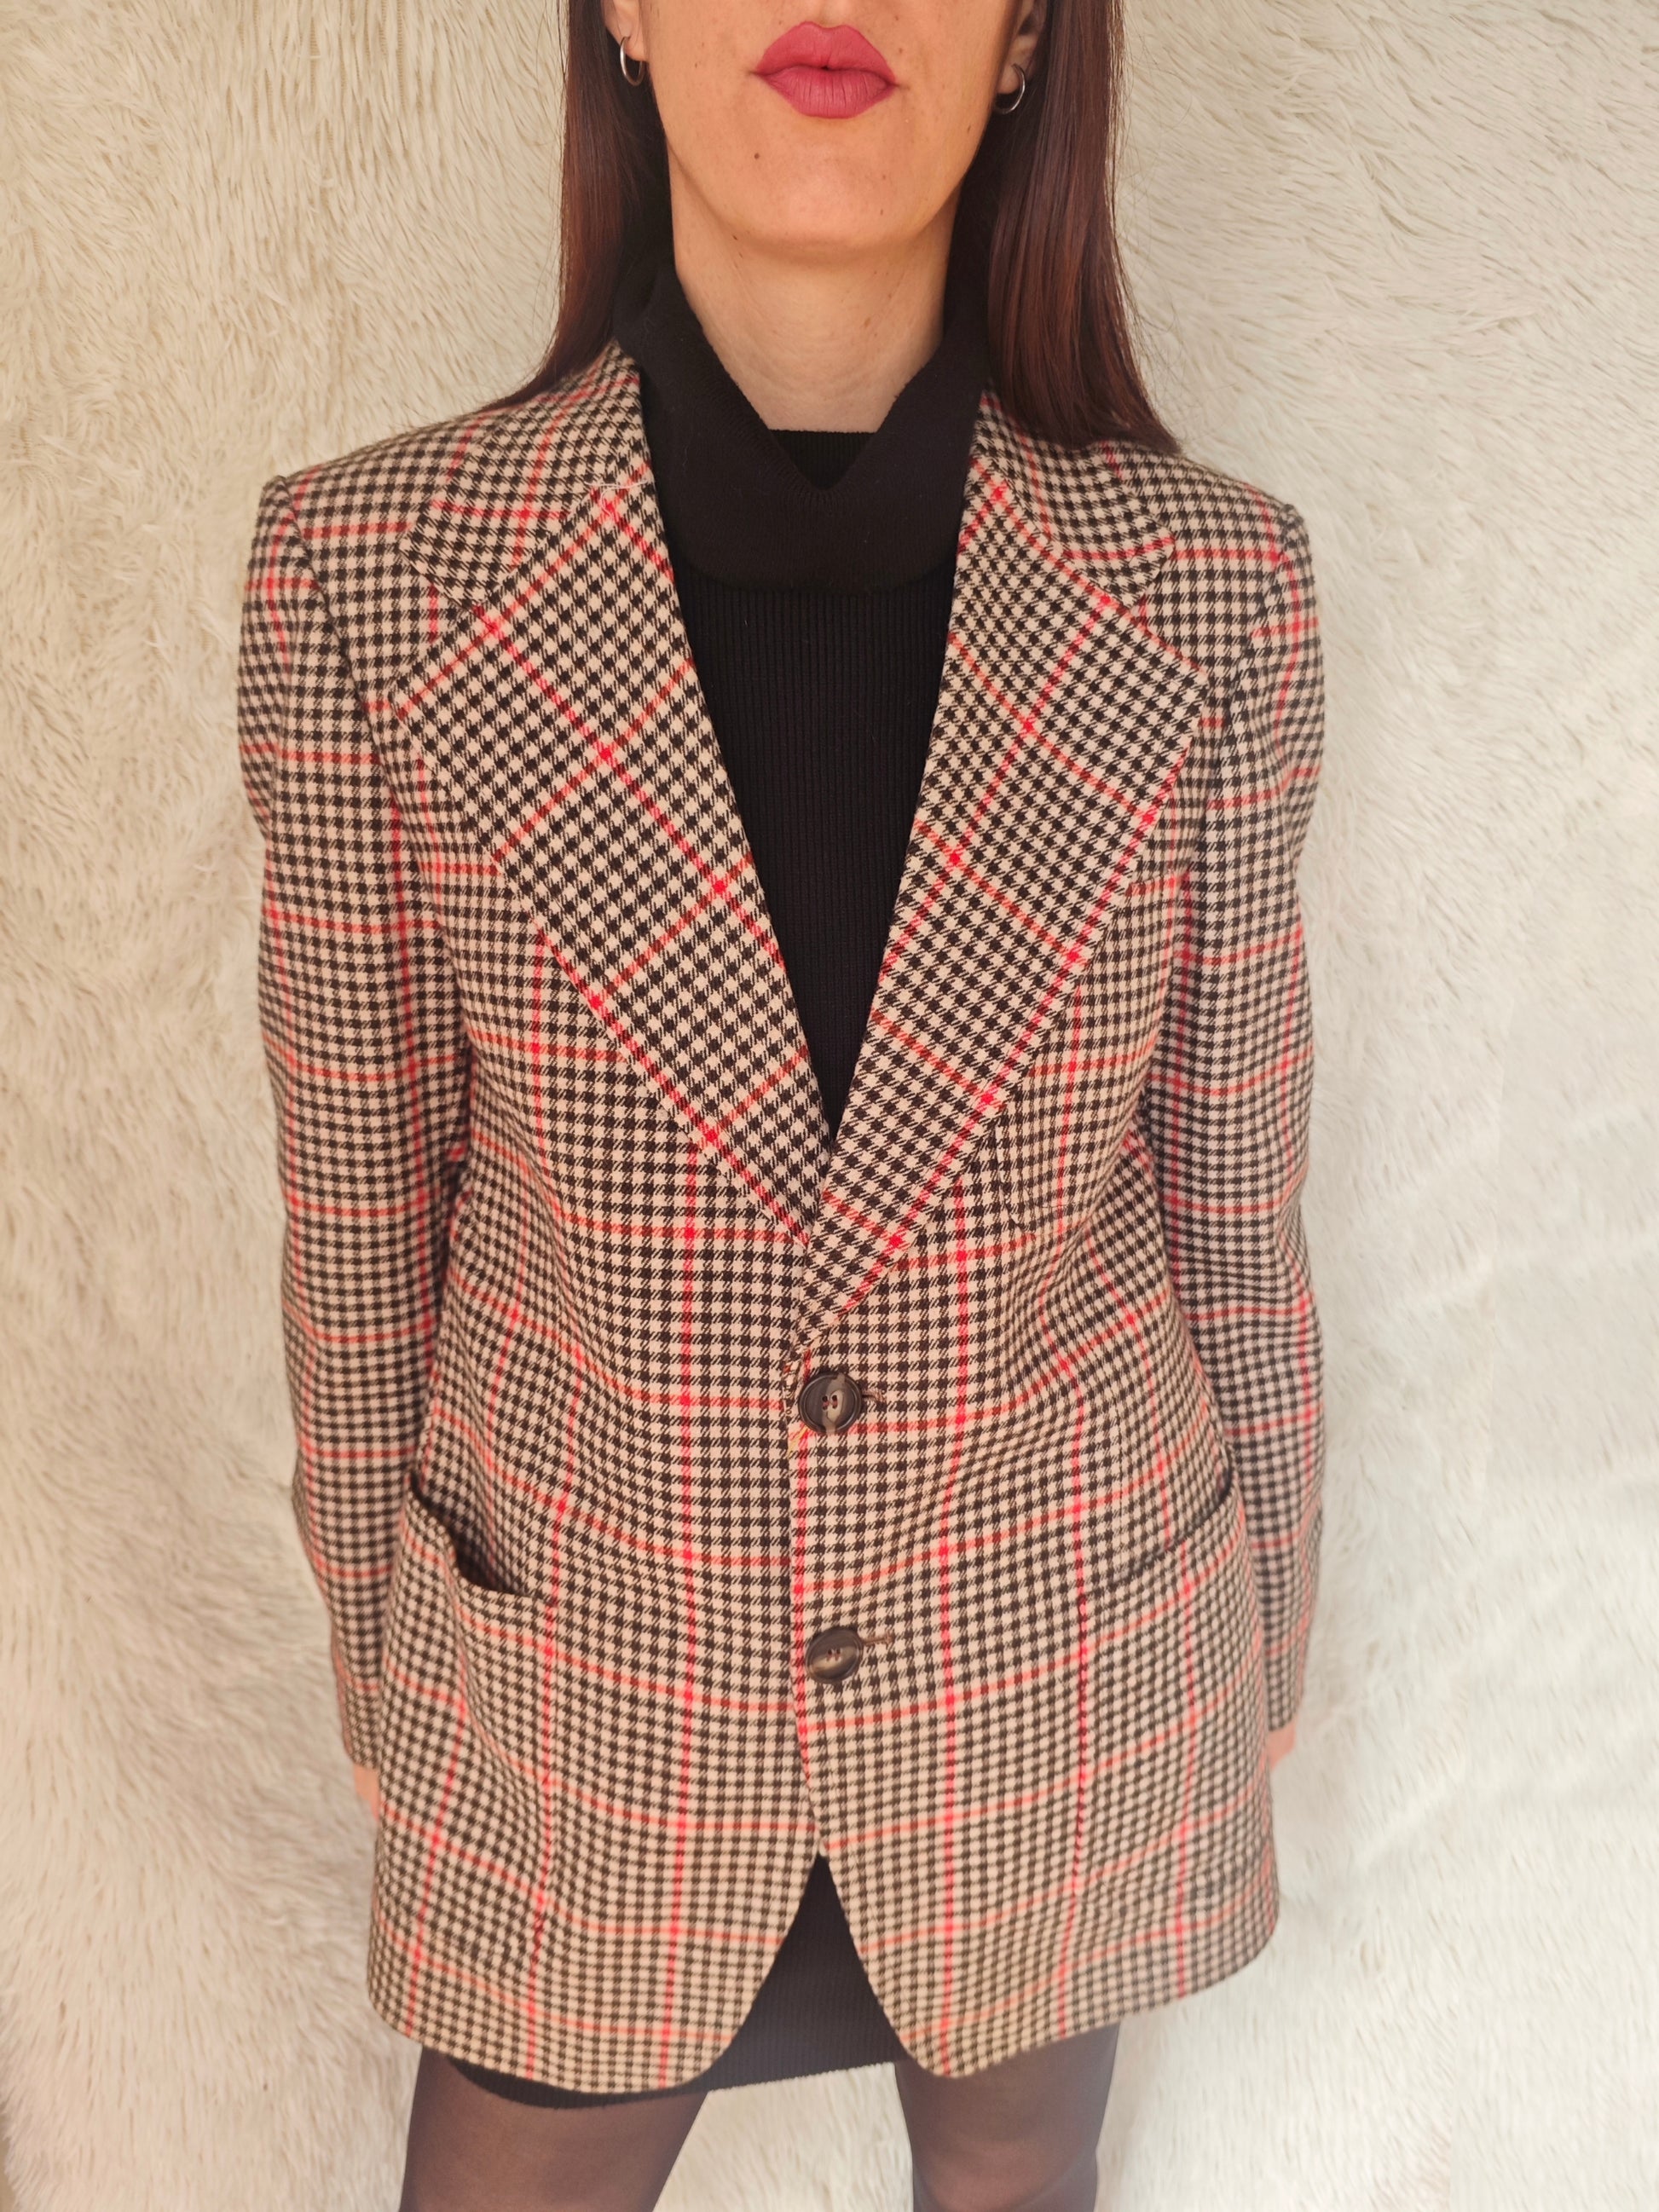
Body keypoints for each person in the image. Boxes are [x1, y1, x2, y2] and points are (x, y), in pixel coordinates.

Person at [235, 2, 1327, 2204]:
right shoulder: (370, 573)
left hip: (1062, 1666)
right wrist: (391, 1663)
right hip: (579, 1700)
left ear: (1024, 39)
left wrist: (1266, 1628)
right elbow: (362, 1217)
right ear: (625, 12)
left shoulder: (1211, 590)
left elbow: (1229, 1188)